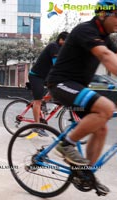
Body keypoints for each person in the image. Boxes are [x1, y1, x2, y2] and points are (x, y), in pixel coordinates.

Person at [47, 0, 117, 194]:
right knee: (107, 107)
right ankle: (66, 145)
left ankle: (85, 173)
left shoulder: (105, 38)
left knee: (101, 128)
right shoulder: (85, 30)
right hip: (61, 83)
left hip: (77, 86)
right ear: (103, 15)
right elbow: (106, 56)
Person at [28, 31, 69, 136]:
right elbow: (57, 65)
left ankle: (43, 101)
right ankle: (37, 127)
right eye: (66, 41)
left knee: (56, 88)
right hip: (36, 76)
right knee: (37, 101)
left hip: (45, 76)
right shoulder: (53, 46)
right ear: (61, 39)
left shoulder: (62, 49)